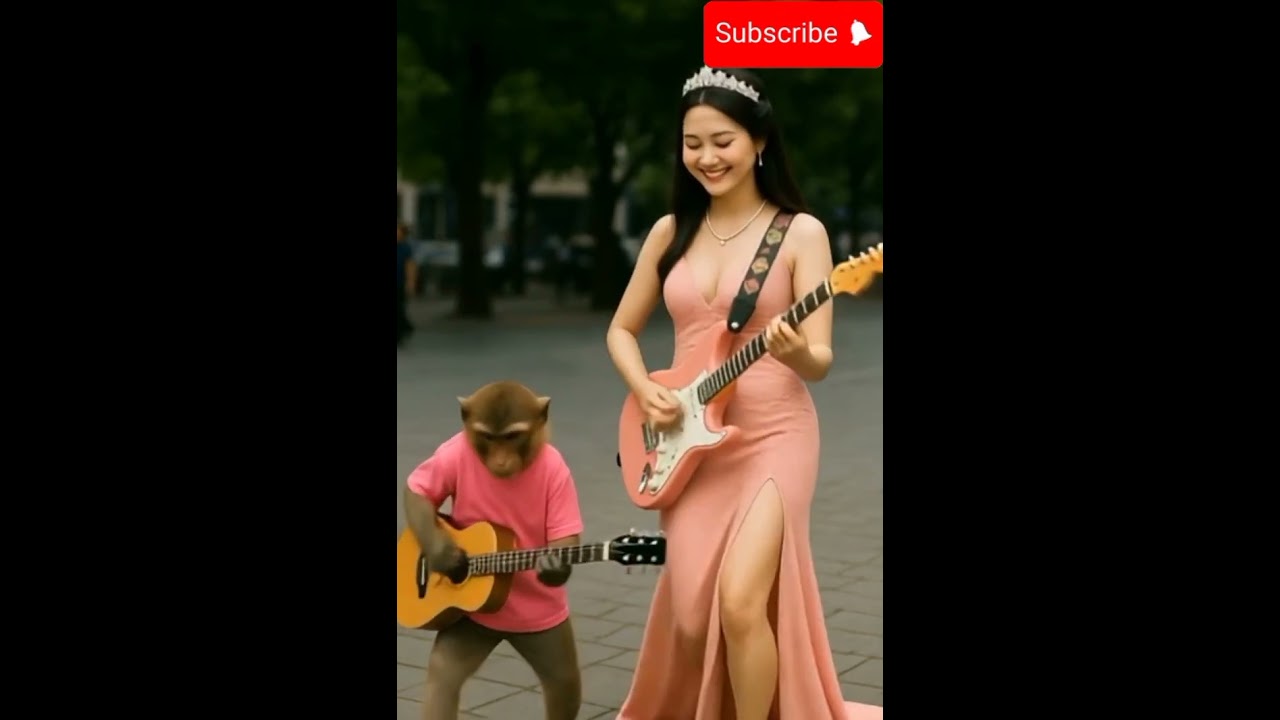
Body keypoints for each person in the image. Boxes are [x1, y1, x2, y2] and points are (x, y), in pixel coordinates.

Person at [605, 67, 883, 720]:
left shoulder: (800, 233)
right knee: (694, 617)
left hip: (775, 437)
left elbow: (818, 359)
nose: (707, 157)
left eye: (722, 140)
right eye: (693, 142)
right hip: (685, 442)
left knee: (738, 601)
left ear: (759, 141)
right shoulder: (669, 233)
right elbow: (621, 329)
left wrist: (796, 352)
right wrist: (644, 388)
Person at [397, 222, 417, 346]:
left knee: (399, 309)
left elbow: (410, 266)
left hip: (399, 283)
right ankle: (407, 327)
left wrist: (410, 283)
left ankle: (401, 333)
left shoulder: (405, 248)